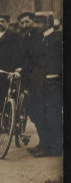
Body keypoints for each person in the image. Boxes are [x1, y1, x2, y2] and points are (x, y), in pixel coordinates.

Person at [26, 12, 62, 157]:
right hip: (40, 83)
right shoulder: (40, 38)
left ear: (47, 23)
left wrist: (54, 77)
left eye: (39, 23)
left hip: (52, 82)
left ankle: (55, 148)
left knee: (53, 115)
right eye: (35, 22)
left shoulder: (57, 38)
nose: (35, 26)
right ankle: (44, 144)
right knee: (40, 113)